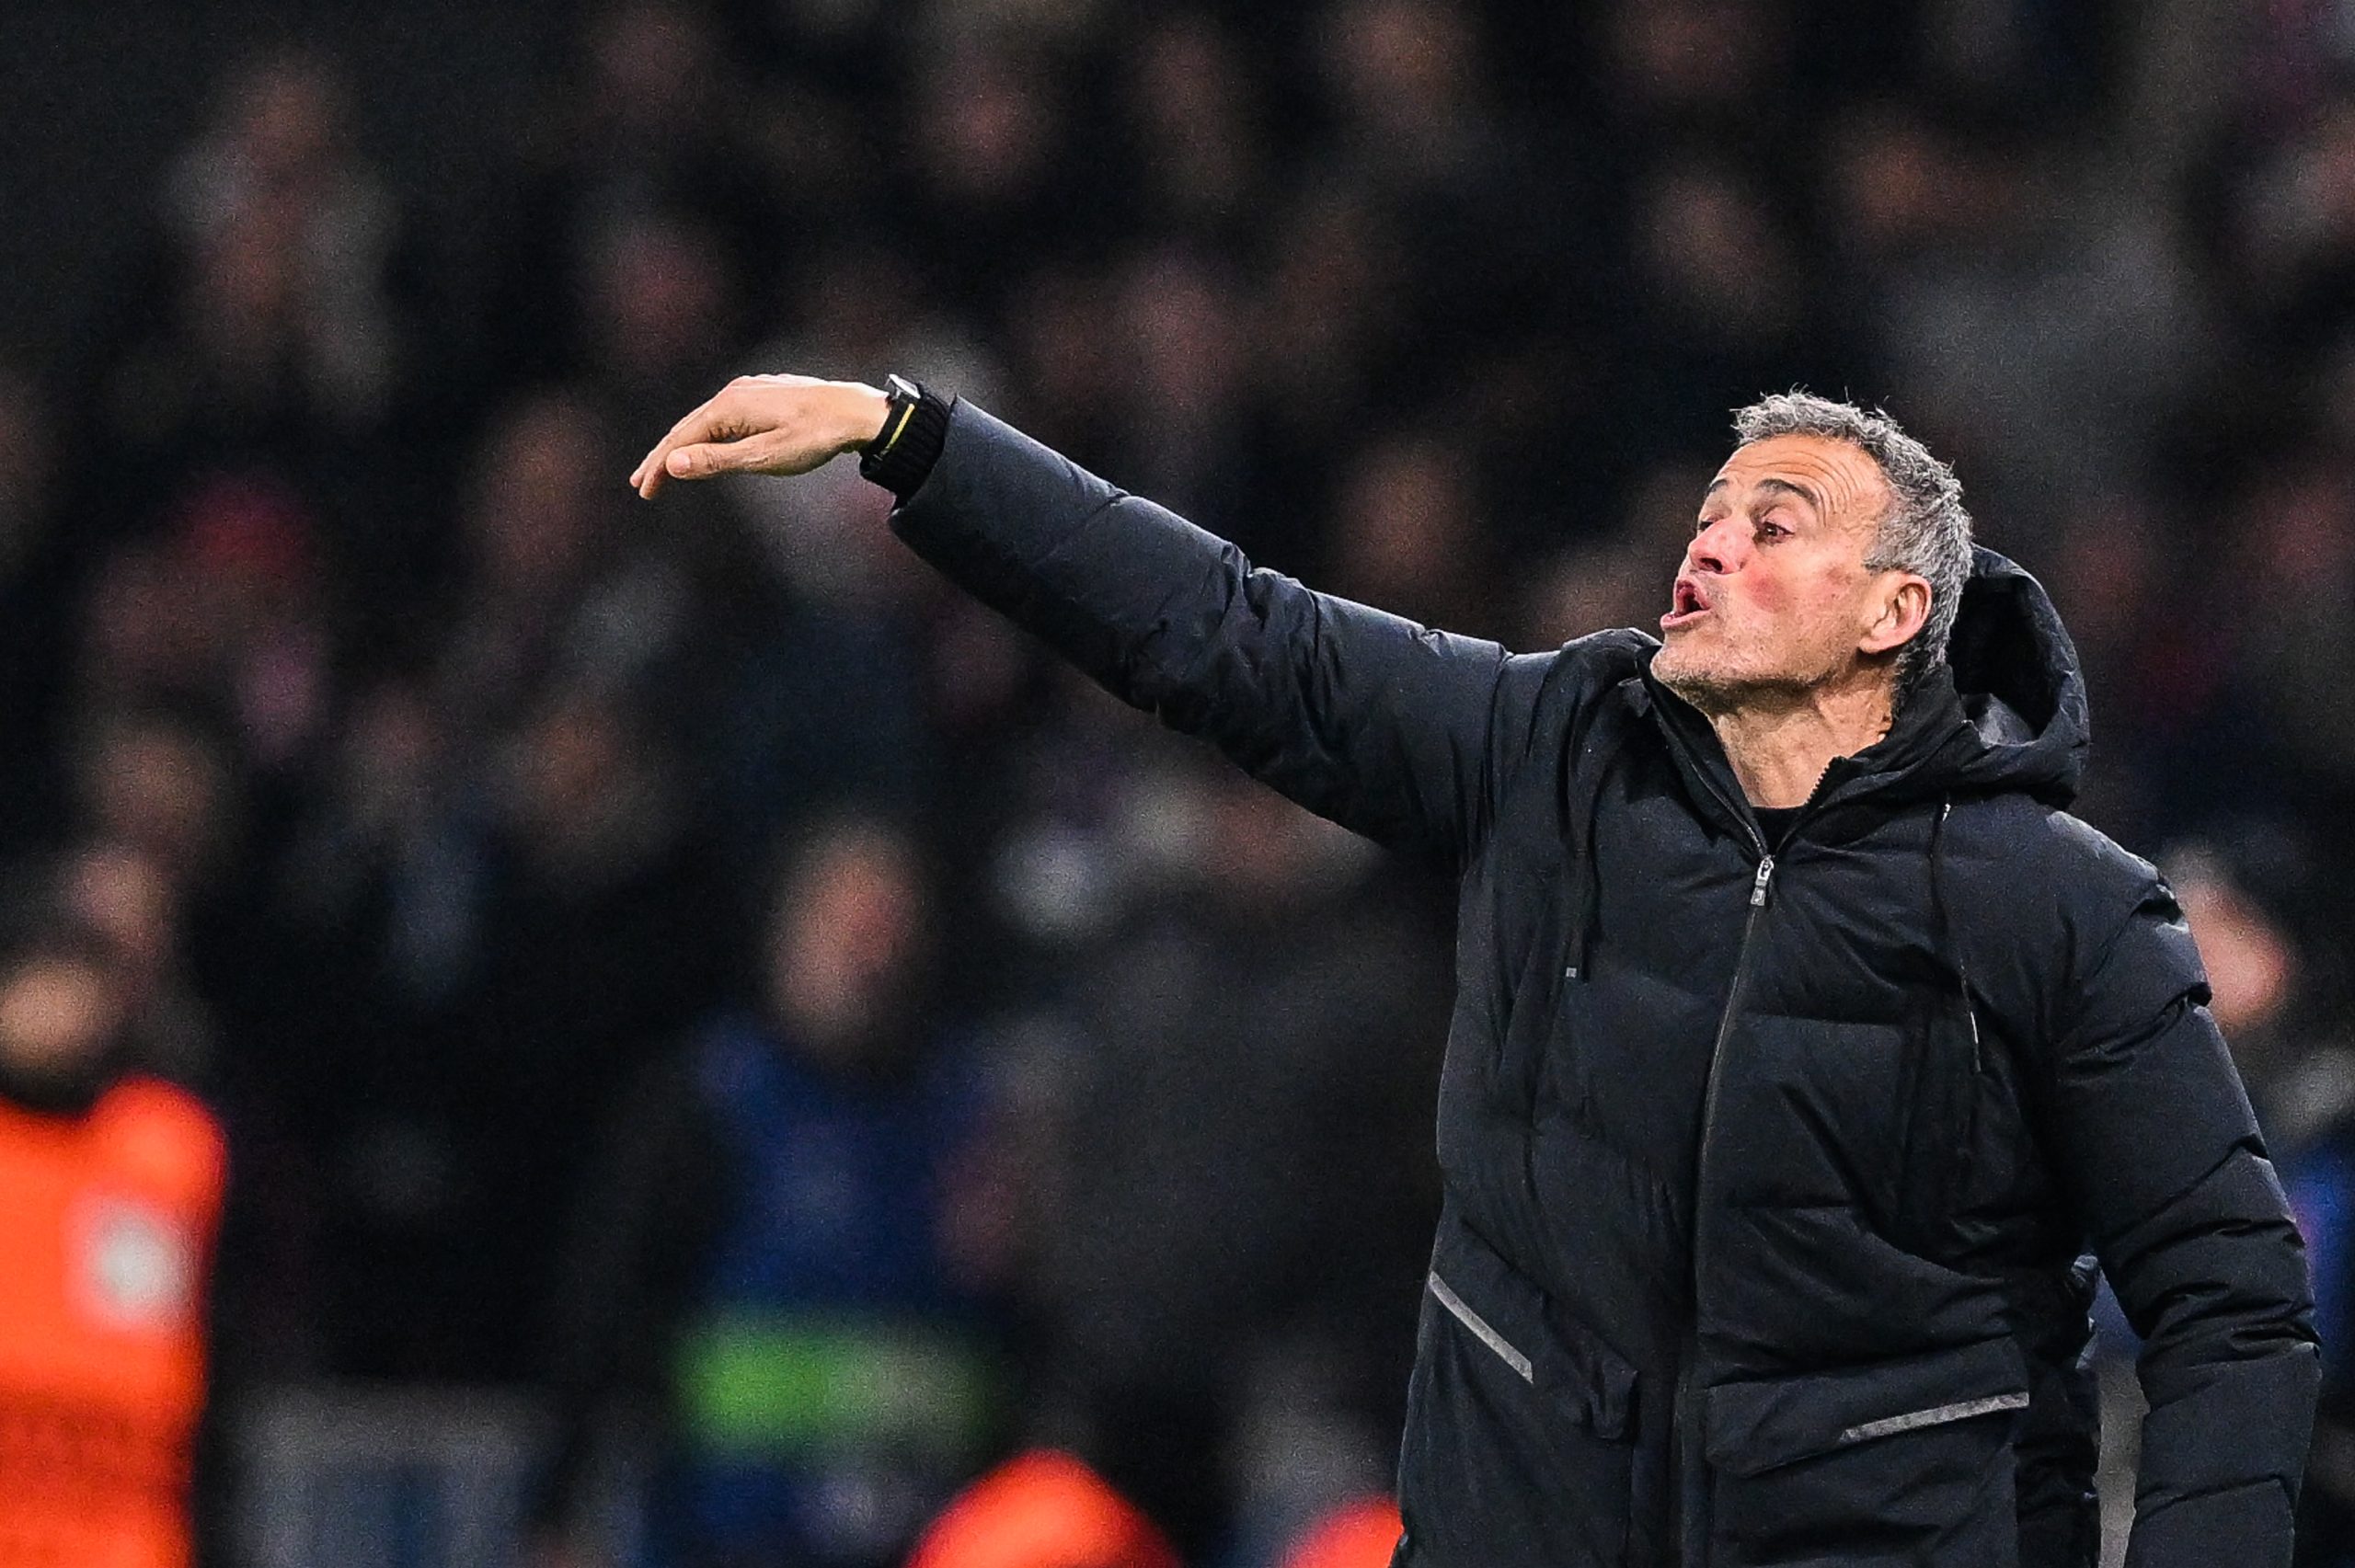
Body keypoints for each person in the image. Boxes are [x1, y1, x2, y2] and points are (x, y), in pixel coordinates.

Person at [621, 373, 2320, 1566]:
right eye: (1707, 514)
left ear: (1892, 616)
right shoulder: (1551, 751)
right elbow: (1232, 631)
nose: (1708, 544)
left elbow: (2232, 1303)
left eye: (1774, 521)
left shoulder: (2062, 912)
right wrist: (919, 443)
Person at [0, 900, 228, 1568]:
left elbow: (211, 1355)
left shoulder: (171, 1153)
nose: (56, 1011)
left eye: (76, 986)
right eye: (36, 982)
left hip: (124, 1540)